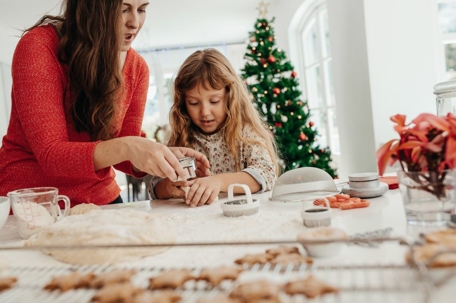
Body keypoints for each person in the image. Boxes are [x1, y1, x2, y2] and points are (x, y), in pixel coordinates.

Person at [0, 0, 210, 206]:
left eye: (142, 9)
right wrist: (130, 146)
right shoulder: (38, 46)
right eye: (123, 9)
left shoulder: (137, 68)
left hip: (98, 196)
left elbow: (121, 149)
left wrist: (159, 156)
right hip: (33, 201)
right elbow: (51, 156)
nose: (135, 23)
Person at [150, 48, 280, 207]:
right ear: (183, 103)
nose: (204, 112)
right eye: (194, 103)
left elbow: (266, 174)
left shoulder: (245, 133)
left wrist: (217, 182)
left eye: (214, 101)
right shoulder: (180, 137)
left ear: (230, 96)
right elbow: (154, 187)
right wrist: (169, 188)